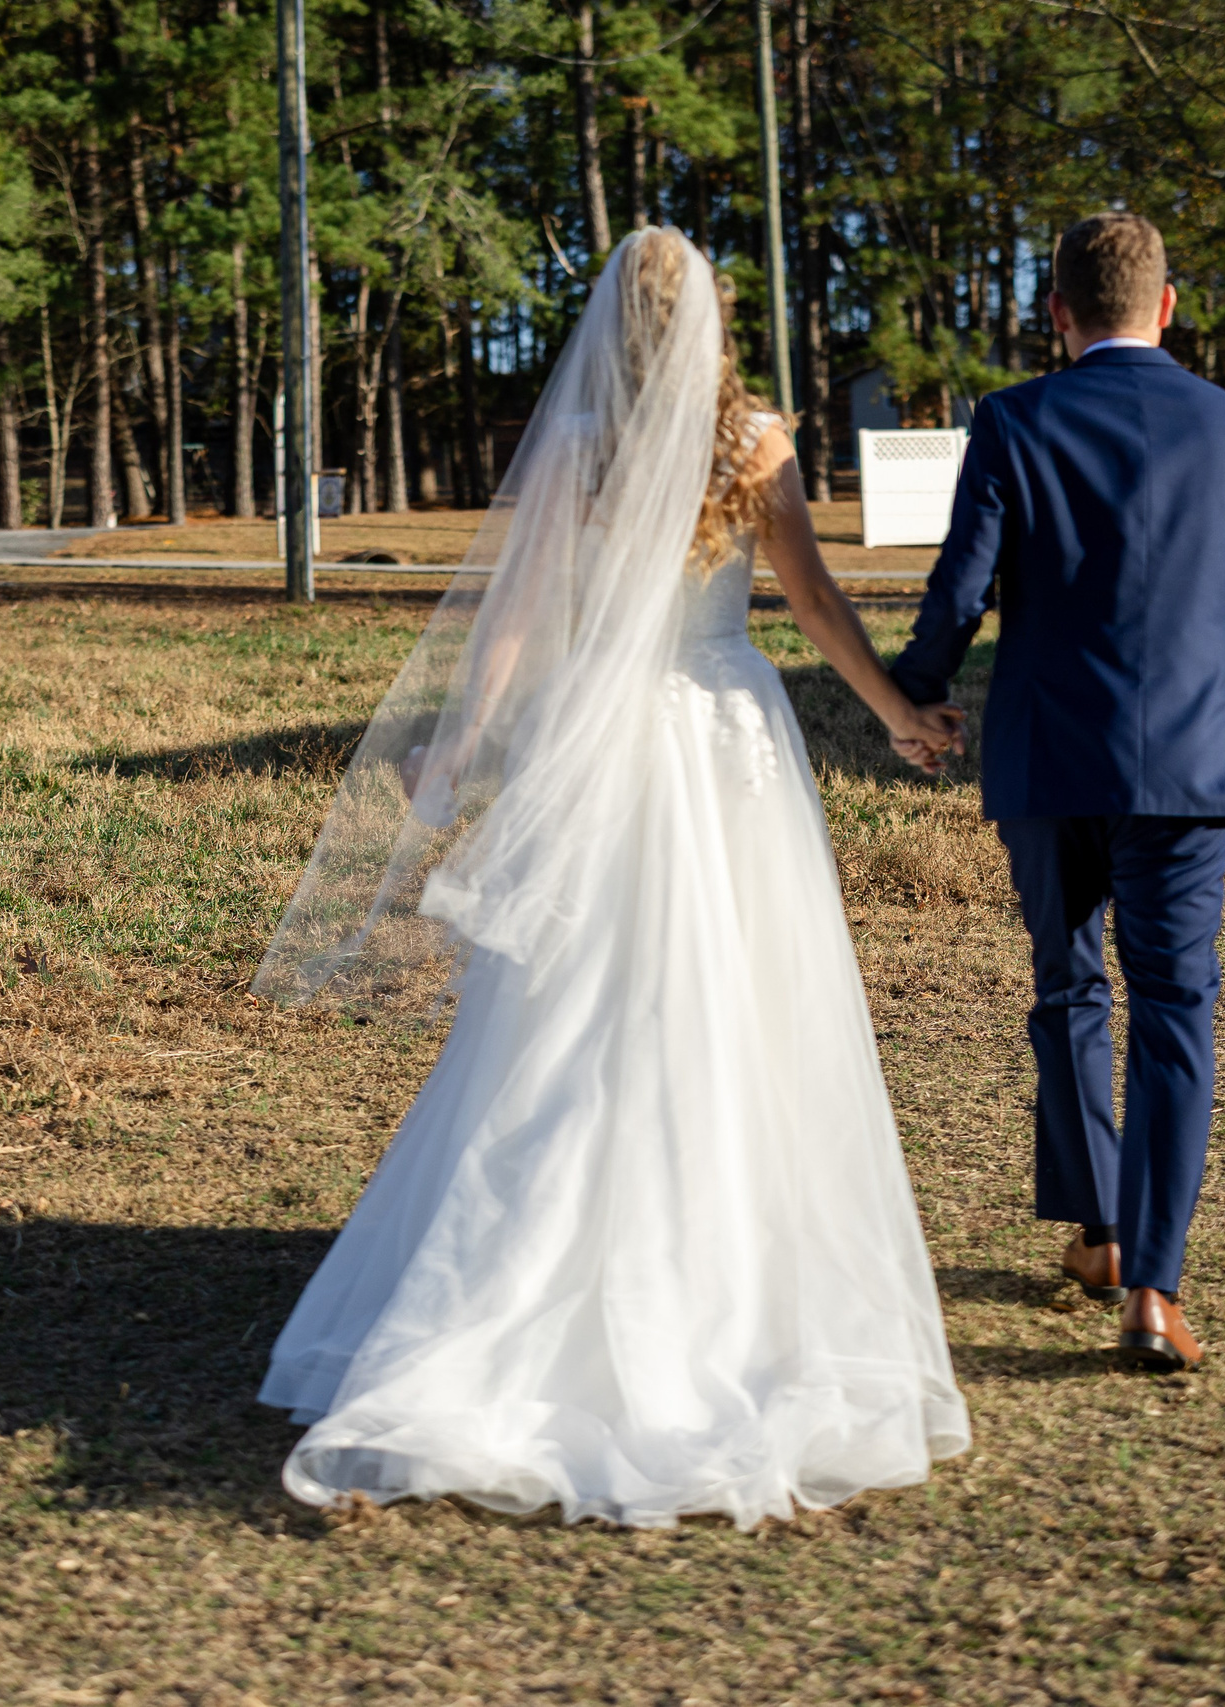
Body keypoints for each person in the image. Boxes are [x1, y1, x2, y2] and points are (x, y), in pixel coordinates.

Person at [248, 227, 969, 1528]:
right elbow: (808, 599)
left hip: (602, 738)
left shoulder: (580, 442)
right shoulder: (755, 442)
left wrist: (461, 746)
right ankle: (719, 1278)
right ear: (710, 323)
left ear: (608, 329)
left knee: (571, 1018)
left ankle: (525, 1280)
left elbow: (515, 623)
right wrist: (898, 711)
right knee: (730, 1007)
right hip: (725, 734)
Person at [887, 210, 1225, 1373]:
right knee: (1176, 1012)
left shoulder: (1014, 418)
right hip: (1186, 769)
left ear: (1059, 315)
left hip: (1044, 758)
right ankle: (1154, 1291)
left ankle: (1102, 1233)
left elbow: (959, 586)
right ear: (1166, 306)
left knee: (1067, 986)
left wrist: (911, 698)